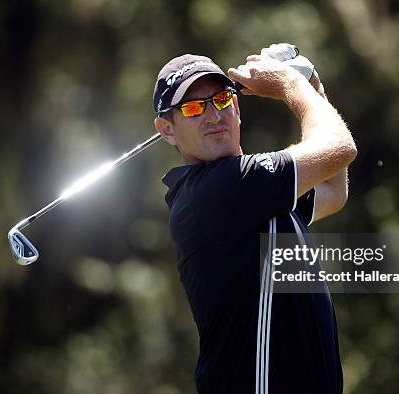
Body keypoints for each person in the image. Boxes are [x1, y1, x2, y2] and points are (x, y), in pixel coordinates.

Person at [153, 49, 357, 394]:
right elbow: (340, 147)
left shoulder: (258, 193)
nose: (212, 115)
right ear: (167, 130)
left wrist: (312, 87)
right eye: (191, 108)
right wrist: (291, 84)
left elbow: (333, 192)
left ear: (237, 108)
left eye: (220, 100)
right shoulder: (215, 192)